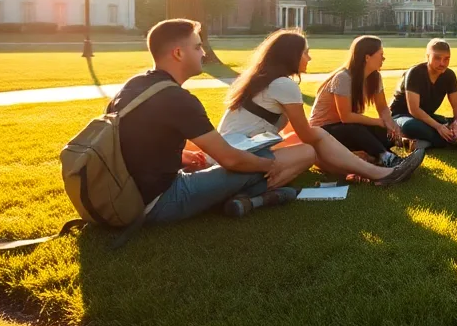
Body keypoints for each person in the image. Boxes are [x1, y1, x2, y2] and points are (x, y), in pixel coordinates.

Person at [113, 19, 309, 224]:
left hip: (123, 194)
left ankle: (251, 197)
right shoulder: (177, 98)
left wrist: (182, 155)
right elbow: (231, 160)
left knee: (246, 163)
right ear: (178, 53)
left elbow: (136, 141)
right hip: (158, 202)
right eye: (198, 47)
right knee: (252, 163)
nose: (204, 53)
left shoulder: (132, 86)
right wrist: (268, 165)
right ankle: (254, 196)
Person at [218, 29, 424, 186]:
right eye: (305, 53)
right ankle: (378, 171)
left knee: (312, 147)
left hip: (236, 151)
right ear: (291, 56)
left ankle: (369, 168)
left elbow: (291, 131)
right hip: (238, 155)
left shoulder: (265, 80)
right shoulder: (284, 84)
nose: (309, 58)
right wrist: (348, 156)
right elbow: (309, 134)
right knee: (311, 147)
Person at [310, 36, 415, 166]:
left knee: (380, 131)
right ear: (367, 57)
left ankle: (387, 153)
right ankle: (387, 157)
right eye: (381, 54)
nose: (383, 58)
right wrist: (377, 122)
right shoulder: (344, 78)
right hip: (324, 131)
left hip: (346, 127)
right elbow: (346, 117)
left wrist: (390, 124)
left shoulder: (375, 77)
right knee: (357, 129)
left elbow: (382, 108)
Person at [390, 38, 457, 149]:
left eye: (446, 59)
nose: (442, 63)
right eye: (437, 58)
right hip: (403, 116)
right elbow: (414, 110)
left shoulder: (449, 75)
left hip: (427, 118)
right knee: (411, 126)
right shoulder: (415, 73)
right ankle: (449, 143)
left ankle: (423, 143)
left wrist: (456, 123)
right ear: (427, 57)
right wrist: (438, 127)